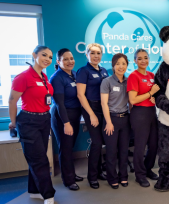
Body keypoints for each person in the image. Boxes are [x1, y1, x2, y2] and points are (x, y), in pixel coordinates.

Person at [8, 45, 56, 204]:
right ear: (34, 55)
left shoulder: (44, 77)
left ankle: (35, 191)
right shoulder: (23, 77)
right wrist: (13, 123)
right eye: (44, 55)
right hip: (28, 121)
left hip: (44, 119)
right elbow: (12, 101)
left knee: (38, 157)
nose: (47, 59)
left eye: (50, 57)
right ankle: (48, 196)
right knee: (40, 160)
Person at [50, 48, 83, 191]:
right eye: (65, 59)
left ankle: (72, 174)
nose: (70, 61)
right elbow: (59, 104)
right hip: (62, 116)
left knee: (70, 147)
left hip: (75, 115)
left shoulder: (74, 74)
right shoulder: (57, 78)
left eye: (71, 58)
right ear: (58, 61)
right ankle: (68, 180)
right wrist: (66, 123)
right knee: (66, 148)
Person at [76, 43, 108, 189]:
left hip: (103, 107)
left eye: (98, 53)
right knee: (96, 142)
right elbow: (80, 95)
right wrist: (91, 115)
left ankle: (100, 171)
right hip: (91, 108)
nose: (96, 56)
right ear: (87, 54)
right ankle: (92, 176)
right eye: (93, 53)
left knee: (101, 141)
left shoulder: (104, 71)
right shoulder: (83, 71)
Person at [127, 49, 160, 187]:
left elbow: (156, 93)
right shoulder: (133, 76)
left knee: (154, 144)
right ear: (135, 61)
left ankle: (147, 169)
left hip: (152, 112)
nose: (143, 61)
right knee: (140, 146)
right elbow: (133, 100)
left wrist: (154, 97)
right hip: (139, 113)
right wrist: (150, 93)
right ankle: (139, 175)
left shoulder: (152, 75)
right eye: (139, 58)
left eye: (145, 58)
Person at [101, 53, 130, 189]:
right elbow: (104, 103)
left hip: (125, 119)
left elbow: (132, 100)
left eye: (123, 63)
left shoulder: (128, 81)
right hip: (111, 119)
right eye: (118, 63)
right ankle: (112, 177)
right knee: (111, 151)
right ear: (113, 66)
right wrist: (108, 122)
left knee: (124, 151)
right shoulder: (107, 82)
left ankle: (123, 176)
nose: (121, 66)